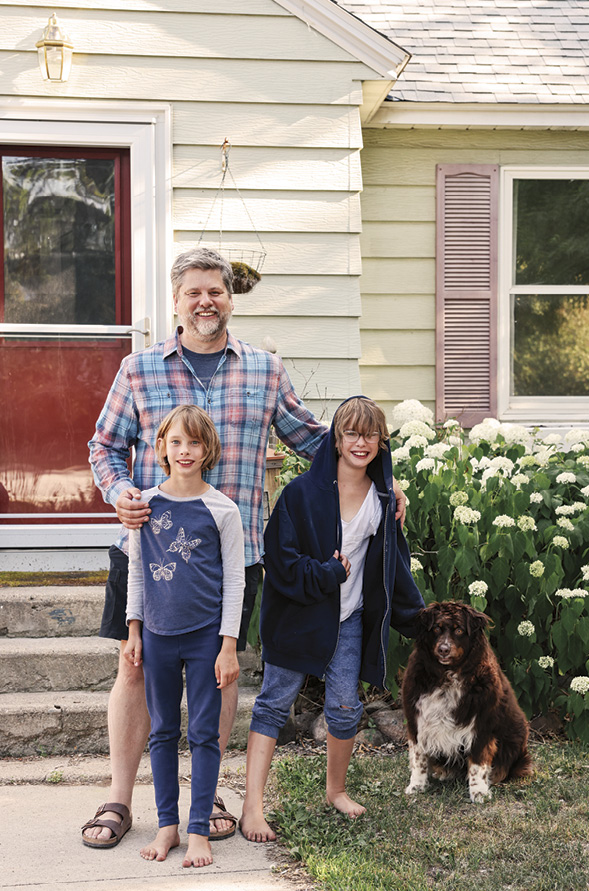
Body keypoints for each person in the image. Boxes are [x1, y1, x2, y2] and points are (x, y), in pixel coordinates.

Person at [83, 247, 406, 847]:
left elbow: (316, 440)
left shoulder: (263, 369)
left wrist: (384, 482)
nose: (206, 301)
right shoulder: (138, 368)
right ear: (175, 301)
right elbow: (104, 446)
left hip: (235, 558)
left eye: (216, 291)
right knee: (132, 670)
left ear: (230, 298)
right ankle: (119, 799)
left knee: (224, 670)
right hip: (149, 551)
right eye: (193, 292)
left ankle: (209, 795)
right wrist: (121, 489)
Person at [239, 396, 424, 842]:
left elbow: (392, 565)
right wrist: (324, 574)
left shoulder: (383, 500)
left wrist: (419, 619)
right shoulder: (302, 494)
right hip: (297, 616)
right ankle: (251, 808)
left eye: (370, 434)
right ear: (336, 440)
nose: (361, 443)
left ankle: (335, 791)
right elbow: (279, 560)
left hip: (349, 619)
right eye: (351, 434)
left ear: (381, 441)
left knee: (345, 709)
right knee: (272, 704)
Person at [124, 404, 244, 867]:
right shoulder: (145, 505)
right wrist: (134, 629)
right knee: (162, 732)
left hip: (205, 639)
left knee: (203, 734)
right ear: (162, 449)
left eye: (194, 442)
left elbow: (235, 580)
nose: (185, 451)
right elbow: (137, 570)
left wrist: (228, 645)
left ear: (207, 448)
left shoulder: (222, 510)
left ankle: (198, 832)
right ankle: (167, 827)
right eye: (176, 442)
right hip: (155, 634)